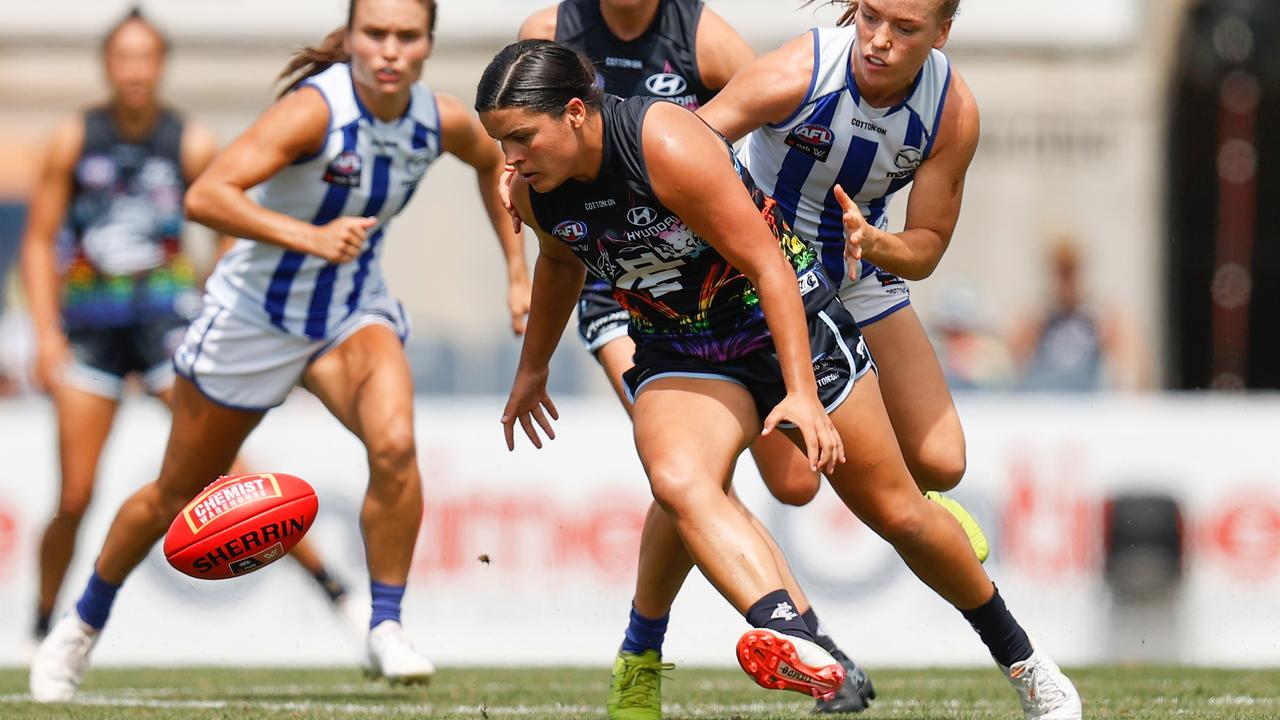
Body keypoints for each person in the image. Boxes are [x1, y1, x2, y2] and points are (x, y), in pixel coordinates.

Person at [480, 38, 1082, 720]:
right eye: (502, 143)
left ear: (578, 114)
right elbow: (560, 265)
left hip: (779, 320)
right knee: (678, 481)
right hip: (679, 345)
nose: (511, 159)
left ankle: (1026, 662)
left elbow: (769, 267)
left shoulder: (666, 147)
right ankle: (792, 636)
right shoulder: (534, 194)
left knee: (899, 514)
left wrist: (800, 391)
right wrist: (532, 370)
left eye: (522, 138)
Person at [29, 0, 529, 702]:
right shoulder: (312, 114)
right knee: (175, 492)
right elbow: (207, 196)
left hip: (350, 315)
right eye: (375, 33)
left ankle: (385, 626)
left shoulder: (439, 119)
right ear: (352, 39)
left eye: (406, 36)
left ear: (427, 45)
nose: (389, 49)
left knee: (394, 446)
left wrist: (516, 268)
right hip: (252, 321)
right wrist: (309, 237)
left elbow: (494, 163)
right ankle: (78, 626)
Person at [515, 1, 874, 715]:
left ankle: (821, 617)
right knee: (681, 475)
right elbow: (524, 157)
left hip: (714, 277)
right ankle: (782, 646)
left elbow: (776, 128)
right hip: (621, 291)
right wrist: (528, 344)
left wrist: (791, 224)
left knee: (788, 484)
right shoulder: (545, 34)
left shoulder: (701, 34)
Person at [18, 8, 360, 647]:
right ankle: (42, 623)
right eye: (124, 58)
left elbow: (229, 225)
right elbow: (38, 244)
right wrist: (44, 334)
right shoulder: (75, 138)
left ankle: (333, 587)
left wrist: (211, 298)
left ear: (161, 64)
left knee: (227, 471)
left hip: (167, 330)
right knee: (75, 493)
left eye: (146, 58)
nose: (135, 71)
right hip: (90, 331)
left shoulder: (189, 140)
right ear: (109, 66)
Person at [1010, 237, 1147, 392]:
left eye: (1071, 272)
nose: (1066, 281)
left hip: (1084, 404)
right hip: (1043, 400)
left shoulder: (1101, 317)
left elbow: (1130, 366)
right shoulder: (1035, 317)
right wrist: (1031, 331)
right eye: (1061, 273)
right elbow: (1011, 366)